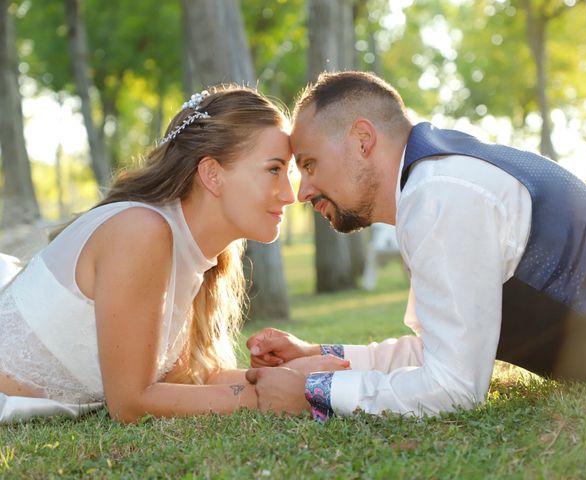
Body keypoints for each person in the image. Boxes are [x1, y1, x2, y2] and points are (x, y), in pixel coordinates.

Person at [245, 71, 586, 420]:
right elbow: (438, 349)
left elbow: (454, 389)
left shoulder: (439, 196)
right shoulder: (431, 182)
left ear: (362, 140)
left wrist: (314, 394)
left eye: (310, 164)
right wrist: (318, 353)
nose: (303, 191)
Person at [0, 85, 349, 424]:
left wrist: (292, 377)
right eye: (274, 169)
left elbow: (183, 380)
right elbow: (132, 403)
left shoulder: (198, 251)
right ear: (212, 174)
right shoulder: (140, 230)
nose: (290, 194)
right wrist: (262, 398)